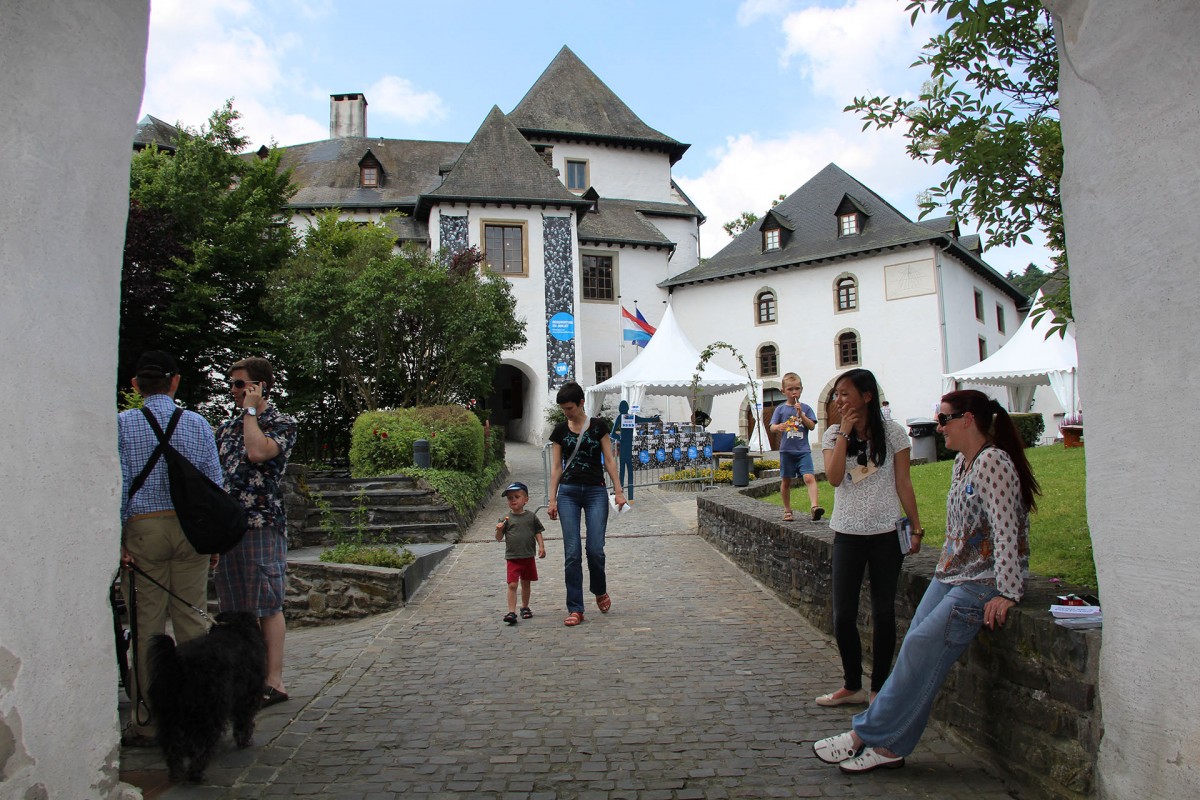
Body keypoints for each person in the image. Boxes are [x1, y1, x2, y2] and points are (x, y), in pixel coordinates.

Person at [814, 389, 1040, 774]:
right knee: (916, 654)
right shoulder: (962, 464)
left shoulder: (994, 464)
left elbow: (1007, 532)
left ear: (968, 420)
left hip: (981, 583)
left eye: (944, 420)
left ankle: (862, 735)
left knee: (920, 646)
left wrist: (1008, 592)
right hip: (952, 575)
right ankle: (892, 748)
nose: (938, 428)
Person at [118, 350, 223, 746]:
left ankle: (146, 720)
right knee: (192, 621)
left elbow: (120, 483)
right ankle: (200, 716)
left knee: (146, 627)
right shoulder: (196, 423)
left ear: (135, 386)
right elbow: (214, 482)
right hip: (190, 529)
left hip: (144, 529)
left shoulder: (123, 424)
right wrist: (211, 537)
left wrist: (118, 542)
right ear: (175, 382)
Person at [818, 368, 922, 707]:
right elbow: (833, 479)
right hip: (847, 532)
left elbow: (904, 482)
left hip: (886, 533)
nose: (839, 400)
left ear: (867, 396)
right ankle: (852, 684)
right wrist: (845, 433)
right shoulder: (833, 433)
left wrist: (916, 527)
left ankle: (879, 687)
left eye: (845, 393)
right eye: (836, 394)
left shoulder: (893, 433)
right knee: (843, 615)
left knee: (883, 612)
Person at [212, 356, 297, 707]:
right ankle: (242, 677)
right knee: (233, 608)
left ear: (260, 386)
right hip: (229, 526)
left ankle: (273, 680)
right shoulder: (224, 428)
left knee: (268, 602)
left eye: (240, 384)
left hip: (263, 523)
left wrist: (250, 414)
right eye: (231, 384)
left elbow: (258, 451)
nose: (233, 391)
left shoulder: (282, 423)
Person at [548, 381, 626, 627]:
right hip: (568, 493)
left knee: (595, 549)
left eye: (569, 408)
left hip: (595, 492)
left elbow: (610, 461)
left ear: (581, 403)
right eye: (563, 409)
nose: (566, 413)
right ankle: (576, 608)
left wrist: (619, 491)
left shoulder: (599, 427)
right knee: (571, 553)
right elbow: (557, 467)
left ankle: (599, 589)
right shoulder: (560, 430)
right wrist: (552, 499)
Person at [768, 372, 824, 522]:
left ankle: (814, 507)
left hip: (803, 450)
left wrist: (801, 415)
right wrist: (778, 426)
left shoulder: (806, 408)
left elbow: (811, 426)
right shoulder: (780, 409)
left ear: (801, 389)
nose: (794, 392)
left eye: (797, 389)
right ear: (783, 391)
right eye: (790, 389)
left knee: (809, 477)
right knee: (786, 481)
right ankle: (787, 510)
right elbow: (772, 427)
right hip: (786, 451)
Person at [495, 481, 547, 624]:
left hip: (528, 555)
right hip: (512, 557)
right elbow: (499, 538)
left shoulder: (531, 517)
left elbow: (538, 532)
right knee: (512, 584)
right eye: (510, 498)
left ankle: (525, 607)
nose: (513, 500)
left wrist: (541, 546)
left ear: (526, 500)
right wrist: (499, 529)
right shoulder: (506, 519)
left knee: (526, 583)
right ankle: (511, 611)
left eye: (516, 497)